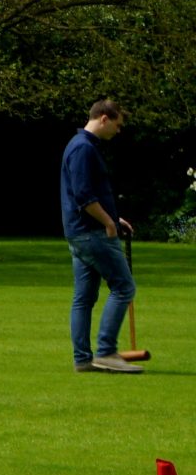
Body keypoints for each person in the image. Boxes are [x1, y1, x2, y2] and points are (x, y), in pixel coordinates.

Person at [62, 98, 140, 374]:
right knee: (124, 287)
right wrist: (108, 223)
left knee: (84, 297)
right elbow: (84, 196)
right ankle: (106, 352)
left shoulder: (80, 146)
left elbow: (86, 194)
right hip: (92, 233)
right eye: (117, 126)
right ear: (104, 118)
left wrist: (114, 217)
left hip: (78, 232)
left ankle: (83, 359)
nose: (118, 132)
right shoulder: (83, 149)